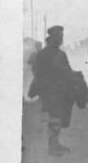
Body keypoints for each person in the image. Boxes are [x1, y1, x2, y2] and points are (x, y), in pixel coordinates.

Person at [31, 26, 76, 156]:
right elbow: (39, 73)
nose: (61, 39)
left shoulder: (61, 54)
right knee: (55, 117)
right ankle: (52, 147)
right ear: (52, 38)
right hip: (50, 91)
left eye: (62, 36)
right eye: (59, 37)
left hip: (60, 90)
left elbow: (67, 70)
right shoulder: (44, 54)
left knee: (58, 117)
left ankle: (55, 144)